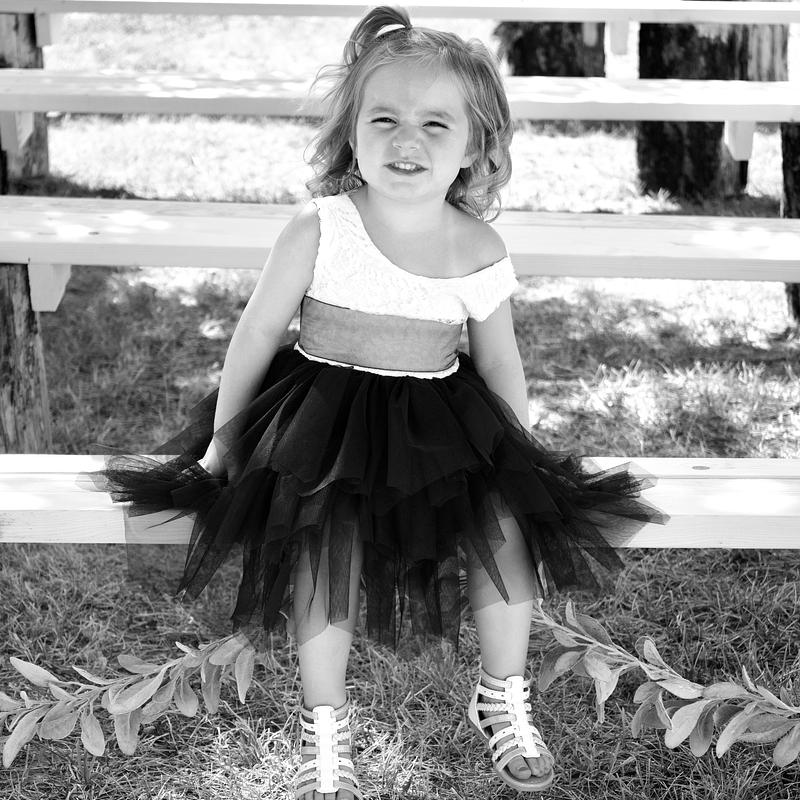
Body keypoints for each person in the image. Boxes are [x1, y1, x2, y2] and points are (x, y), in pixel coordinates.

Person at [90, 6, 666, 798]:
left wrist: (522, 459)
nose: (407, 140)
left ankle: (501, 694)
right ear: (352, 131)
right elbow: (257, 333)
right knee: (323, 546)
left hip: (439, 424)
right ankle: (325, 724)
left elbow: (499, 358)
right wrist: (223, 443)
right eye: (384, 118)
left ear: (476, 147)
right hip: (318, 427)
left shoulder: (477, 246)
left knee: (504, 531)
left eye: (436, 124)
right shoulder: (321, 226)